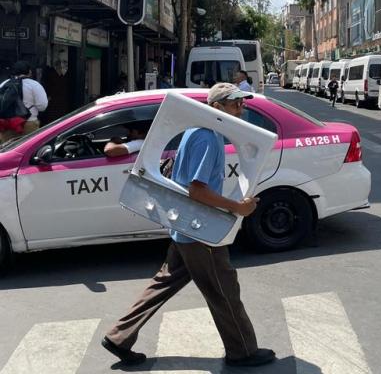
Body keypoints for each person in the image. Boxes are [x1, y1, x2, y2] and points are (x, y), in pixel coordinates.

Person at [102, 83, 275, 368]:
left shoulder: (196, 130)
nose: (241, 108)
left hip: (184, 226)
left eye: (242, 103)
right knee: (224, 290)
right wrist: (238, 207)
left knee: (164, 283)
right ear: (217, 107)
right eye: (235, 103)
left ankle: (119, 336)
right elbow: (198, 191)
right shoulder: (208, 137)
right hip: (200, 230)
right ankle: (242, 351)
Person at [0, 61, 48, 142]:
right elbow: (42, 107)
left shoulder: (4, 84)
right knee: (29, 151)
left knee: (8, 151)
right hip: (29, 123)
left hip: (7, 124)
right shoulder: (34, 84)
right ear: (29, 71)